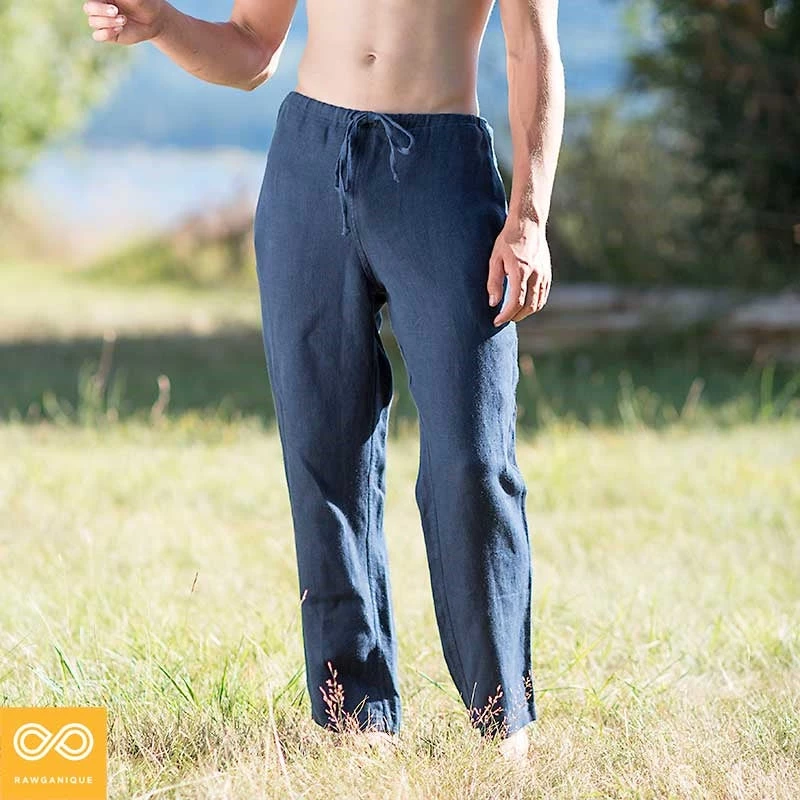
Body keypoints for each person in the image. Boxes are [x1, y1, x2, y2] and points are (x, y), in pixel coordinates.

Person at [82, 0, 564, 762]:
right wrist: (163, 24)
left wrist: (528, 217)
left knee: (473, 458)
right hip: (308, 163)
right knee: (322, 454)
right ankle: (356, 716)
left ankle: (500, 716)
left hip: (440, 167)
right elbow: (251, 49)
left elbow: (533, 52)